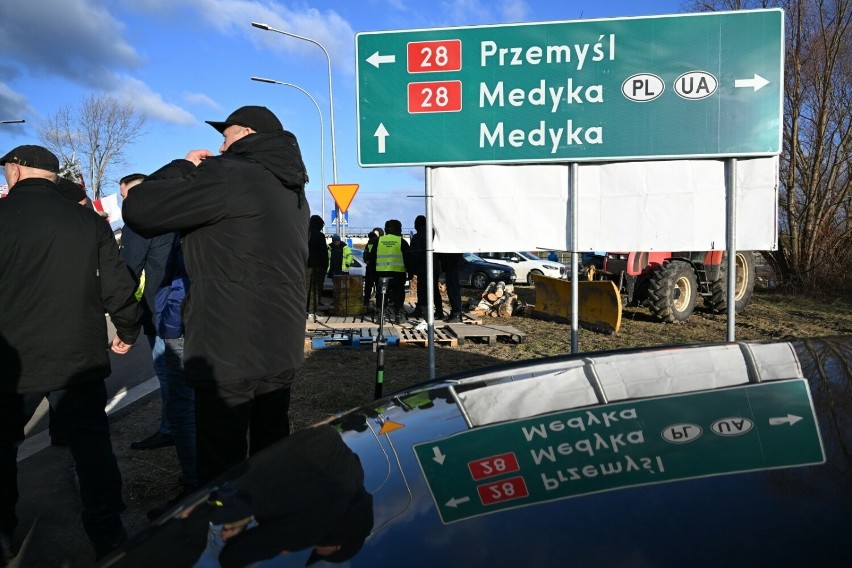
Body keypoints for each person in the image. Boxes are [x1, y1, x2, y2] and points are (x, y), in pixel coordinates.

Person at [123, 105, 309, 485]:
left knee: (221, 465)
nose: (220, 147)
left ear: (243, 133)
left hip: (228, 348)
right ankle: (270, 527)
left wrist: (183, 167)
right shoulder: (293, 190)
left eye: (225, 137)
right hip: (282, 344)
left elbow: (139, 207)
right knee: (271, 451)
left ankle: (225, 534)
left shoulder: (227, 174)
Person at [0, 145, 141, 560]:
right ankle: (108, 534)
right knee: (92, 447)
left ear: (17, 171)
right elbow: (117, 285)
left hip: (11, 363)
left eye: (6, 169)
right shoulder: (87, 221)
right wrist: (128, 328)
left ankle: (4, 533)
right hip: (77, 359)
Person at [119, 173, 177, 452]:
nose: (124, 203)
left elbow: (127, 274)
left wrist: (124, 323)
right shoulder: (179, 217)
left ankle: (171, 429)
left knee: (168, 375)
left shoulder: (139, 225)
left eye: (127, 196)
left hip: (160, 313)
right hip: (188, 309)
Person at [374, 219, 409, 324]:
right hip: (398, 273)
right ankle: (398, 316)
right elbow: (408, 258)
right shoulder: (402, 241)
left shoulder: (378, 241)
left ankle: (381, 317)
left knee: (381, 294)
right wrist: (410, 271)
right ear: (398, 229)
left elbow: (372, 258)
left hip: (381, 272)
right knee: (399, 294)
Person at [408, 215, 442, 320]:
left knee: (422, 290)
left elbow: (414, 255)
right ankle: (439, 311)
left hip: (423, 268)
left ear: (416, 225)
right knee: (435, 289)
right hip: (435, 267)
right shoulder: (434, 235)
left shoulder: (418, 237)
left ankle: (422, 311)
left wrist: (411, 269)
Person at [306, 215, 328, 320]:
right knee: (315, 290)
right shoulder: (319, 236)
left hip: (304, 266)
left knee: (305, 289)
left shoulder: (304, 235)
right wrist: (325, 266)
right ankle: (312, 313)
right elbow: (324, 253)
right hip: (317, 266)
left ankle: (304, 312)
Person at [438, 252, 464, 323]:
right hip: (450, 264)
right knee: (451, 289)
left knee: (454, 289)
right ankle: (454, 313)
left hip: (453, 263)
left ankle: (457, 314)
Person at [362, 227, 383, 309]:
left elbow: (366, 253)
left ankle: (366, 302)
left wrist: (367, 260)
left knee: (368, 285)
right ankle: (379, 304)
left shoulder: (369, 242)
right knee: (379, 286)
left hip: (370, 266)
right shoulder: (381, 242)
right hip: (378, 267)